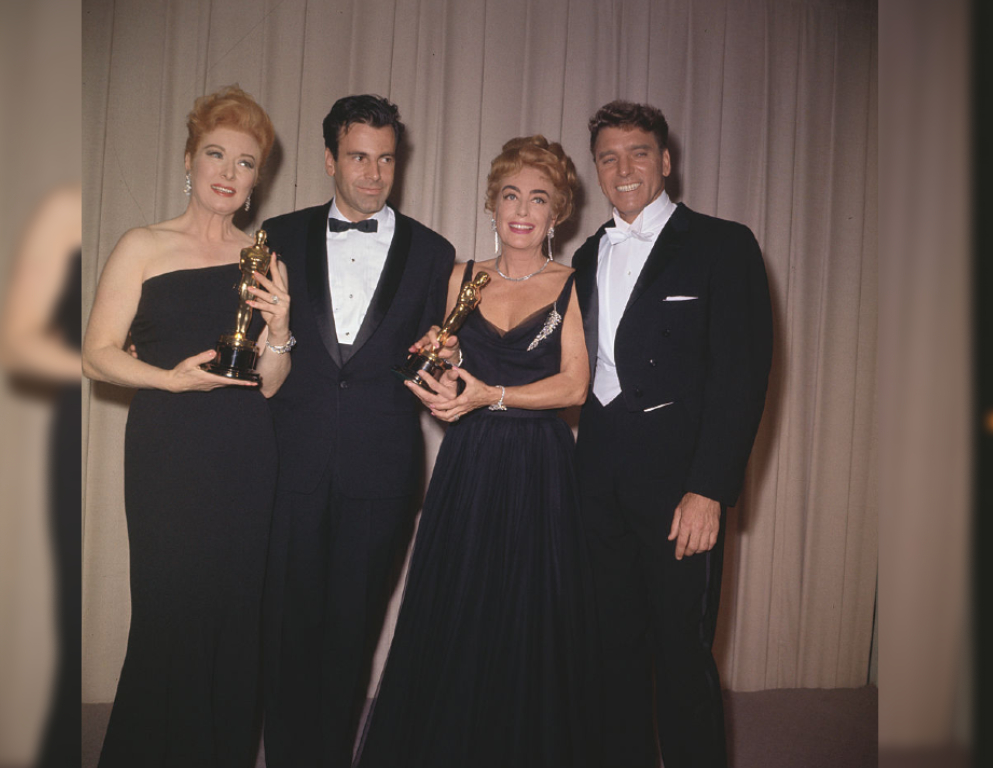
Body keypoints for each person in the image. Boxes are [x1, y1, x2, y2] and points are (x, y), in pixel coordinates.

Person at [354, 135, 601, 768]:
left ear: (558, 214)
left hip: (538, 465)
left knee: (527, 614)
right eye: (511, 195)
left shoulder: (571, 283)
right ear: (492, 205)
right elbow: (447, 370)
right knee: (457, 607)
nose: (523, 209)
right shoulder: (461, 277)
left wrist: (494, 394)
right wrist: (444, 365)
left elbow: (575, 385)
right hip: (469, 463)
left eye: (538, 199)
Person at [82, 86, 290, 767]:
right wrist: (170, 378)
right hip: (169, 452)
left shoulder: (264, 257)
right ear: (188, 161)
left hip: (244, 454)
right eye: (216, 154)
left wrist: (282, 329)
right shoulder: (143, 245)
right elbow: (96, 354)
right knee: (170, 615)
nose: (229, 172)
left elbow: (269, 384)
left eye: (246, 162)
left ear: (259, 179)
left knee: (235, 618)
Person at [572, 100, 773, 768]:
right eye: (608, 156)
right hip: (596, 485)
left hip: (678, 492)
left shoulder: (723, 244)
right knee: (610, 654)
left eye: (637, 153)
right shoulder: (584, 255)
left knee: (682, 657)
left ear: (665, 160)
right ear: (596, 169)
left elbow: (740, 379)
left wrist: (709, 490)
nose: (623, 168)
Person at [258, 94, 454, 768]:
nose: (373, 174)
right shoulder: (276, 236)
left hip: (383, 475)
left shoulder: (434, 253)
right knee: (286, 635)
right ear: (329, 160)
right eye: (359, 157)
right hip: (290, 469)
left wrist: (447, 370)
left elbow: (434, 371)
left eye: (386, 159)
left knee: (351, 638)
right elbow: (247, 347)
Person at [0, 183, 82, 768]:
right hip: (51, 415)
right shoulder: (63, 206)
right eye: (215, 152)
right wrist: (113, 361)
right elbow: (17, 342)